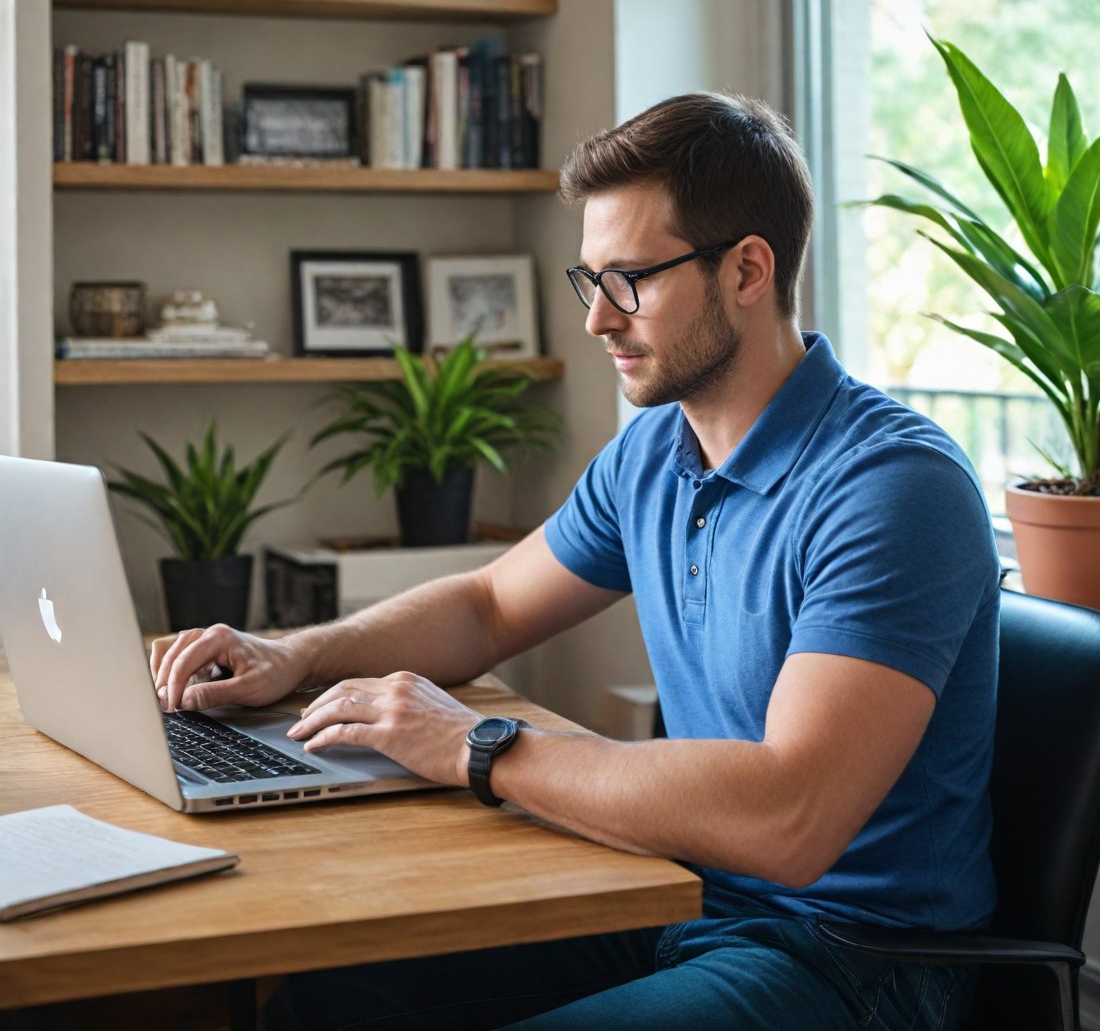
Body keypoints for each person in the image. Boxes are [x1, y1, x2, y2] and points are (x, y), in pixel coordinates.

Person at [151, 92, 1000, 1031]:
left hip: (854, 959)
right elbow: (489, 607)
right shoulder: (656, 452)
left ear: (748, 270)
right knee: (335, 993)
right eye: (588, 279)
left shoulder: (890, 487)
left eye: (630, 280)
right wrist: (299, 654)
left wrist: (481, 746)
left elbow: (789, 819)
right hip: (676, 893)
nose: (597, 319)